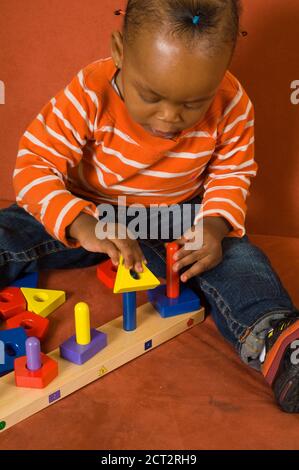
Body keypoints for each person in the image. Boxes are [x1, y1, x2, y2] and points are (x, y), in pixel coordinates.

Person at [1, 0, 298, 412]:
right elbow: (35, 164)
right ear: (120, 50)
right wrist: (82, 224)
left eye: (194, 103)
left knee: (238, 258)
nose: (170, 117)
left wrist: (213, 224)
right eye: (150, 95)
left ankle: (279, 343)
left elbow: (233, 173)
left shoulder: (232, 102)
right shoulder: (91, 90)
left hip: (176, 218)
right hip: (90, 211)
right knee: (9, 230)